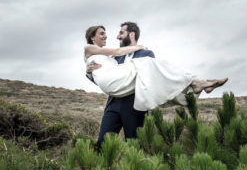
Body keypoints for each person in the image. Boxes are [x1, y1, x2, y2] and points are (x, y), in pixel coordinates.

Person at [85, 22, 227, 148]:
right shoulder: (115, 57)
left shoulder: (146, 54)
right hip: (113, 103)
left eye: (121, 33)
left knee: (133, 144)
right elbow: (109, 77)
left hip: (134, 105)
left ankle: (194, 83)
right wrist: (90, 73)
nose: (117, 37)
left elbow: (153, 80)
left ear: (131, 34)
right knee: (102, 143)